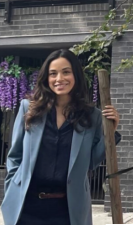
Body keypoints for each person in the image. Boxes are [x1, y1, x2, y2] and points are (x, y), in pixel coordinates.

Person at [1, 49, 121, 225]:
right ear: (46, 78)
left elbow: (92, 162)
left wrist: (111, 131)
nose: (59, 79)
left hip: (67, 210)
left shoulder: (91, 116)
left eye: (66, 72)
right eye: (53, 74)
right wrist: (12, 185)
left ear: (76, 75)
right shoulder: (29, 109)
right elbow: (15, 155)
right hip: (26, 207)